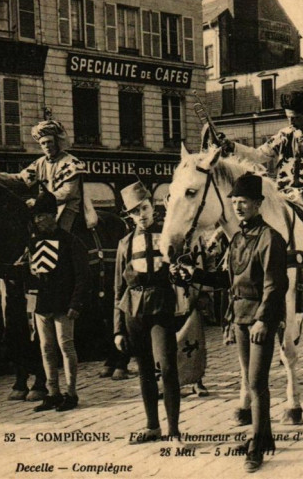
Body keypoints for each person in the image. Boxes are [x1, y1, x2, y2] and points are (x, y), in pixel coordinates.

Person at [175, 173, 287, 472]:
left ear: (258, 204)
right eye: (235, 202)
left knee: (257, 382)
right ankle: (258, 437)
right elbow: (227, 278)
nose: (238, 208)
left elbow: (275, 286)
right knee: (249, 382)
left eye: (245, 202)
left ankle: (258, 445)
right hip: (239, 318)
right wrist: (194, 275)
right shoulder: (237, 237)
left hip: (260, 319)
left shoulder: (271, 239)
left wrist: (264, 320)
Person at [217, 90, 303, 304]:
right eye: (288, 117)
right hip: (282, 193)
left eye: (295, 117)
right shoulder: (284, 135)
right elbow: (259, 155)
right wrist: (234, 147)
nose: (291, 121)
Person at [0, 189, 91, 412]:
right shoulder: (33, 243)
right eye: (35, 217)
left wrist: (76, 304)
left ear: (52, 216)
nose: (37, 221)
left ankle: (71, 393)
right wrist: (0, 269)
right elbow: (25, 271)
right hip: (42, 306)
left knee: (66, 348)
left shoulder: (70, 241)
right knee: (47, 349)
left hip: (64, 305)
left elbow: (82, 276)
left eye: (41, 216)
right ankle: (53, 393)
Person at [113, 182, 182, 444]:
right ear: (129, 216)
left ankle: (173, 430)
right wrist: (118, 329)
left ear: (153, 206)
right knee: (143, 369)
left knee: (167, 367)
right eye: (134, 211)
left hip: (161, 306)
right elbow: (118, 289)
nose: (141, 215)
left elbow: (182, 268)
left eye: (144, 208)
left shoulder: (168, 236)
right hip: (134, 312)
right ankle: (152, 426)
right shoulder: (124, 244)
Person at [0, 120, 96, 233]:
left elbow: (68, 193)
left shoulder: (73, 163)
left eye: (49, 142)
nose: (47, 146)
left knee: (61, 235)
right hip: (45, 208)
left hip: (67, 207)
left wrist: (39, 202)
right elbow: (20, 179)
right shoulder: (40, 163)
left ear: (57, 142)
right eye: (43, 143)